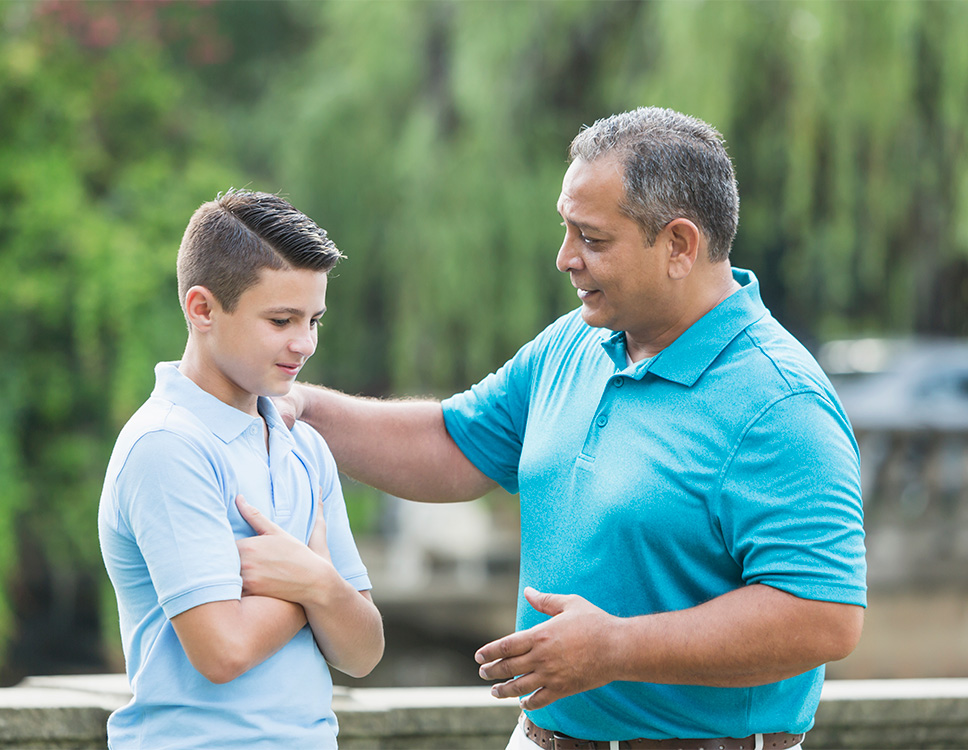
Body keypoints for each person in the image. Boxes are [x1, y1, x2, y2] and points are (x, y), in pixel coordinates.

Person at [269, 107, 866, 749]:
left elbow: (824, 617)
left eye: (593, 239)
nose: (565, 259)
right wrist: (304, 407)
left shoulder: (780, 402)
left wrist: (617, 648)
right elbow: (452, 444)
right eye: (567, 231)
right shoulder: (577, 343)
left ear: (679, 246)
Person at [98, 189, 383, 749]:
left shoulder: (306, 448)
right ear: (202, 309)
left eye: (314, 320)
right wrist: (314, 586)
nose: (304, 344)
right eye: (281, 320)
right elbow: (222, 652)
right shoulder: (167, 446)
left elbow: (363, 652)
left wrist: (316, 582)